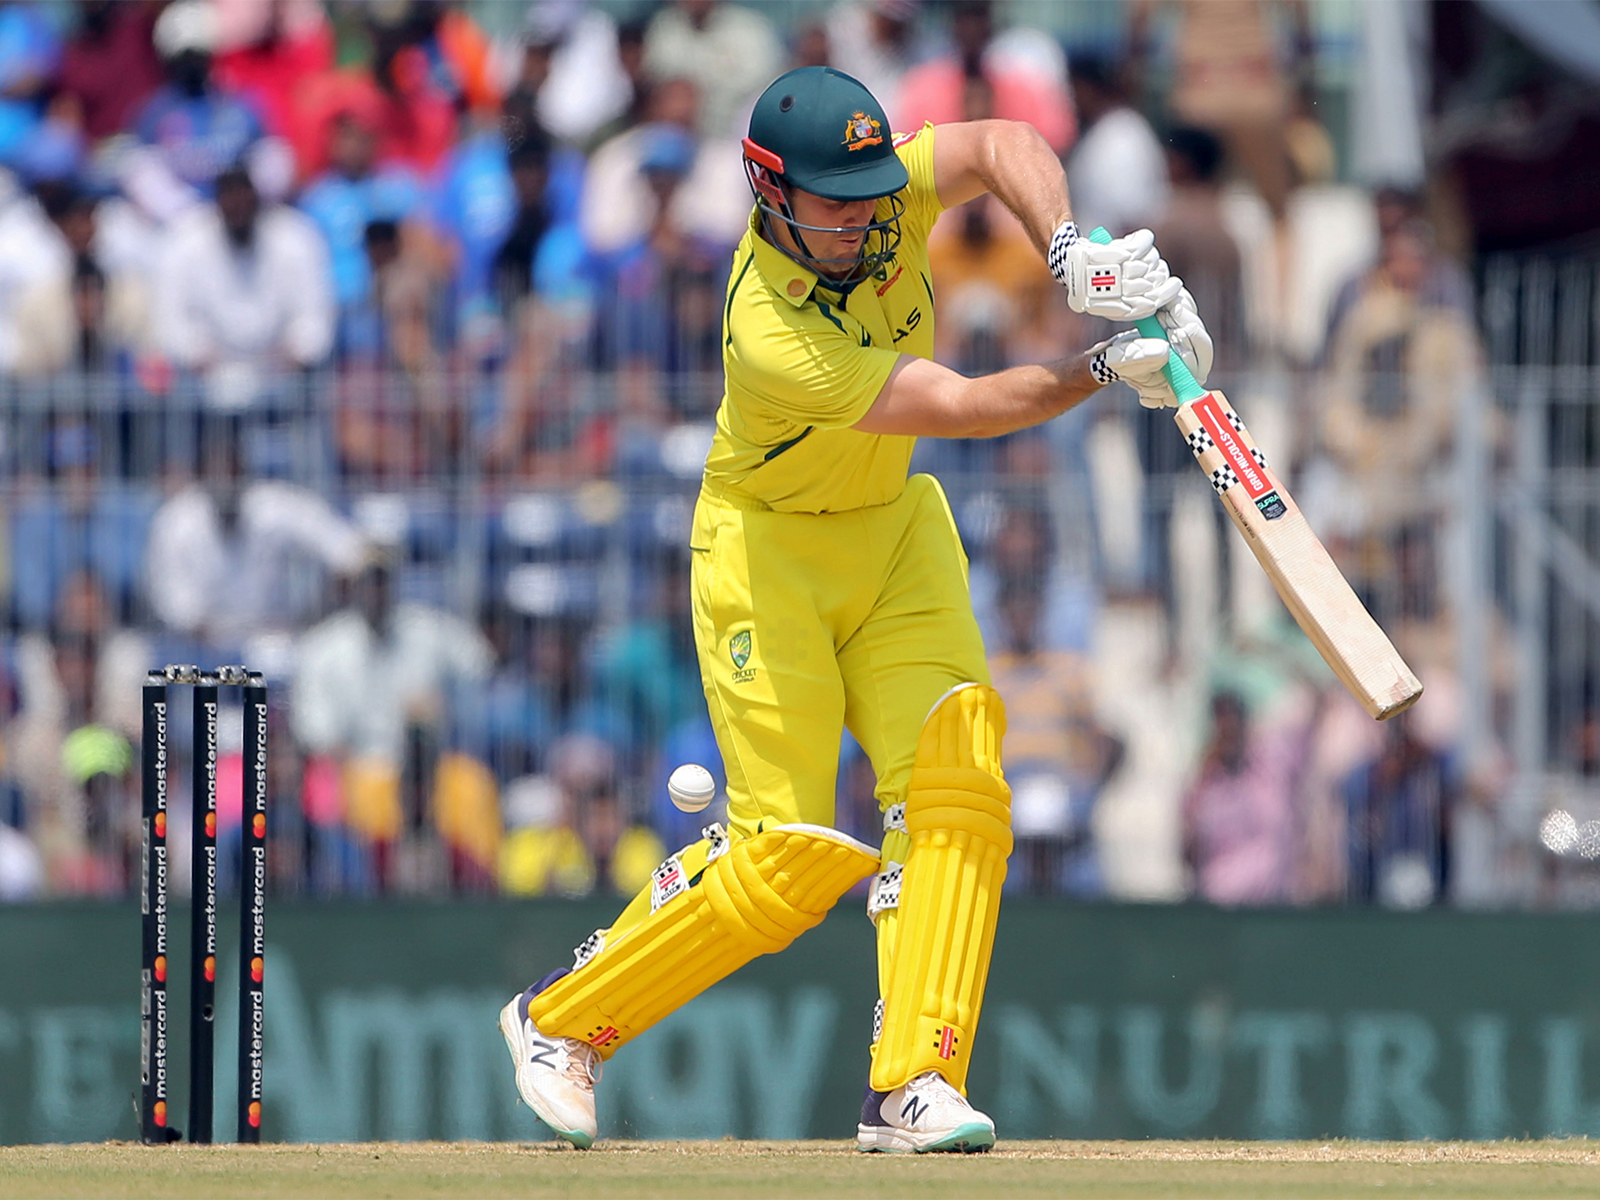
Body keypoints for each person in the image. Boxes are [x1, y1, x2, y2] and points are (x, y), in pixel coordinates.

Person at [497, 65, 1211, 1153]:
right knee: (781, 862)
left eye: (871, 188)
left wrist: (1074, 250)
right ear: (769, 191)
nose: (863, 214)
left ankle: (911, 1084)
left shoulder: (879, 202)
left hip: (889, 535)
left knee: (958, 782)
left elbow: (995, 141)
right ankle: (559, 1024)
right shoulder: (765, 331)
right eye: (834, 198)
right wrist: (1107, 366)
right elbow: (962, 404)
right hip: (767, 551)